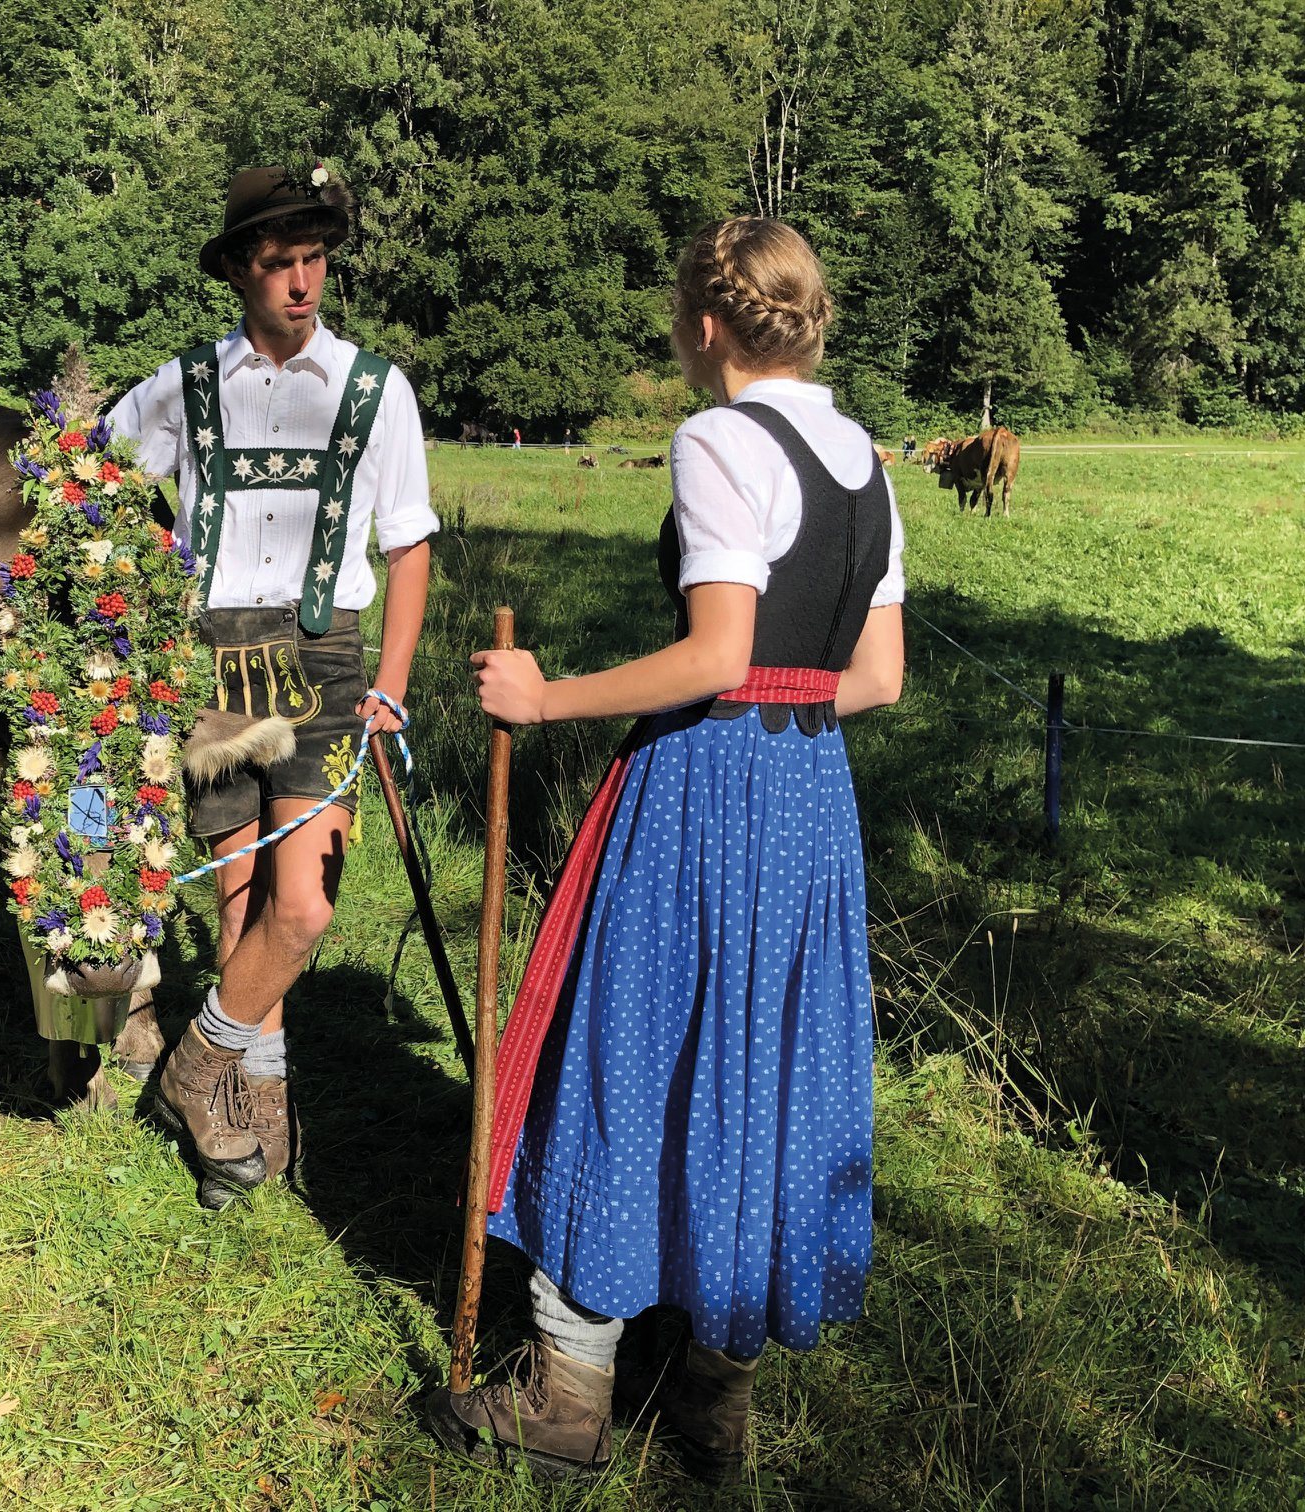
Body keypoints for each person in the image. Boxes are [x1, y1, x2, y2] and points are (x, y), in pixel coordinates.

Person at [427, 216, 905, 1481]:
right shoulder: (867, 461)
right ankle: (711, 1392)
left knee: (628, 1048)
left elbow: (715, 657)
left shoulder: (716, 440)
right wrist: (782, 714)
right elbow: (879, 677)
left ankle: (569, 1386)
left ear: (705, 323)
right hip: (810, 792)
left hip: (706, 789)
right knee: (761, 1069)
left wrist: (542, 698)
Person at [107, 165, 437, 1209]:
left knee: (301, 908)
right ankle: (245, 1139)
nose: (301, 282)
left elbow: (410, 549)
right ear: (239, 275)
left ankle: (191, 1070)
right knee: (246, 899)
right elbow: (92, 472)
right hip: (209, 668)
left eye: (313, 258)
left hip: (324, 662)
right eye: (276, 263)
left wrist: (387, 685)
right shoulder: (186, 386)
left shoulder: (375, 390)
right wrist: (148, 580)